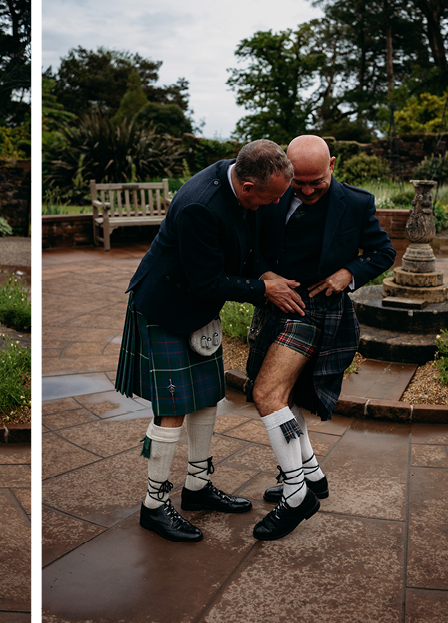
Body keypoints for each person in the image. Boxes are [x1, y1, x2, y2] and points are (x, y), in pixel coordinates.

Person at [115, 139, 306, 543]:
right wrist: (262, 289)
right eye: (271, 198)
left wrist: (264, 274)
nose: (274, 205)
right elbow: (206, 281)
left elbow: (246, 246)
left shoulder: (238, 178)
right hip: (166, 306)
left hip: (196, 306)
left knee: (205, 397)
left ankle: (197, 486)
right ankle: (154, 505)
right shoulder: (200, 205)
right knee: (172, 409)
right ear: (250, 188)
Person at [246, 135, 395, 541]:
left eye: (317, 182)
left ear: (332, 164)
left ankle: (296, 495)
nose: (308, 191)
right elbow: (249, 248)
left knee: (267, 395)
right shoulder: (272, 192)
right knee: (285, 399)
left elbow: (383, 252)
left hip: (321, 313)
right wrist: (264, 275)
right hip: (276, 306)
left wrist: (349, 273)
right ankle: (312, 476)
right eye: (300, 183)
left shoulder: (357, 203)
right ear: (287, 173)